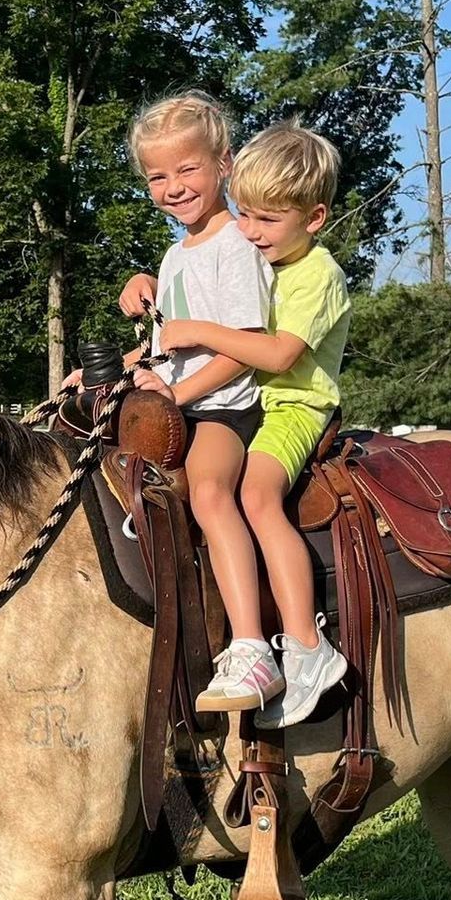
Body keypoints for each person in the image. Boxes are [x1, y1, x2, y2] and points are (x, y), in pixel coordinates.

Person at [132, 120, 352, 726]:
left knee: (252, 496)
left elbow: (277, 353)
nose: (251, 233)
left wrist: (193, 342)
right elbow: (182, 324)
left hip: (290, 403)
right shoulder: (259, 258)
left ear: (314, 218)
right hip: (252, 399)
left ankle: (303, 645)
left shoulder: (317, 274)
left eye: (265, 220)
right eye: (246, 217)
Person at [97, 92, 282, 711]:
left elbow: (246, 348)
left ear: (224, 164)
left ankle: (254, 649)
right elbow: (164, 344)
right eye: (157, 176)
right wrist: (104, 373)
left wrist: (178, 393)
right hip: (179, 403)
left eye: (187, 170)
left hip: (229, 406)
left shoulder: (237, 247)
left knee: (208, 493)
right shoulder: (177, 254)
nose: (173, 187)